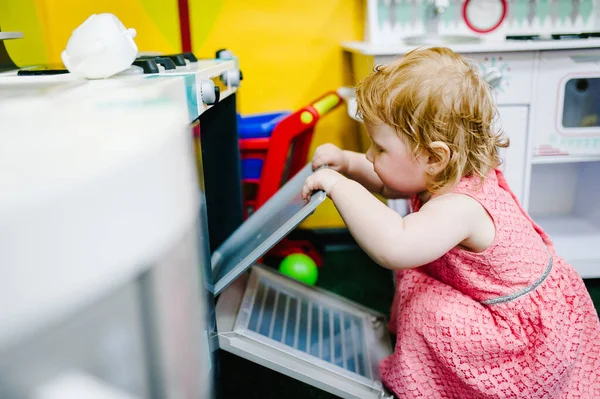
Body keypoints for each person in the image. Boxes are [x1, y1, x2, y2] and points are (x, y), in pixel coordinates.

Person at [302, 47, 600, 398]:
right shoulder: (437, 174)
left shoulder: (461, 206)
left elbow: (395, 245)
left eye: (379, 148)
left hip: (526, 340)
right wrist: (349, 163)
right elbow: (389, 181)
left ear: (434, 156)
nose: (371, 155)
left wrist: (339, 186)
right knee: (420, 282)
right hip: (511, 309)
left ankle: (430, 384)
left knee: (428, 305)